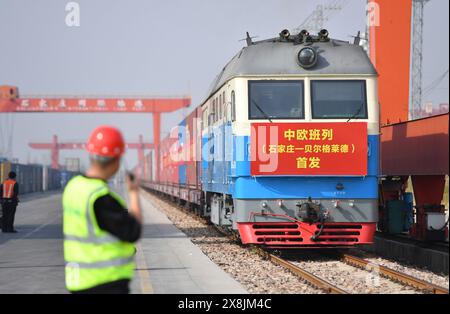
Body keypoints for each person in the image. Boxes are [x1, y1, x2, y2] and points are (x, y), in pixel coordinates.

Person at [62, 126, 142, 294]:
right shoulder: (101, 199)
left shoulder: (72, 187)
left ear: (91, 155)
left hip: (78, 282)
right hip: (105, 282)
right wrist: (134, 193)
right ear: (116, 160)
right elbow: (133, 231)